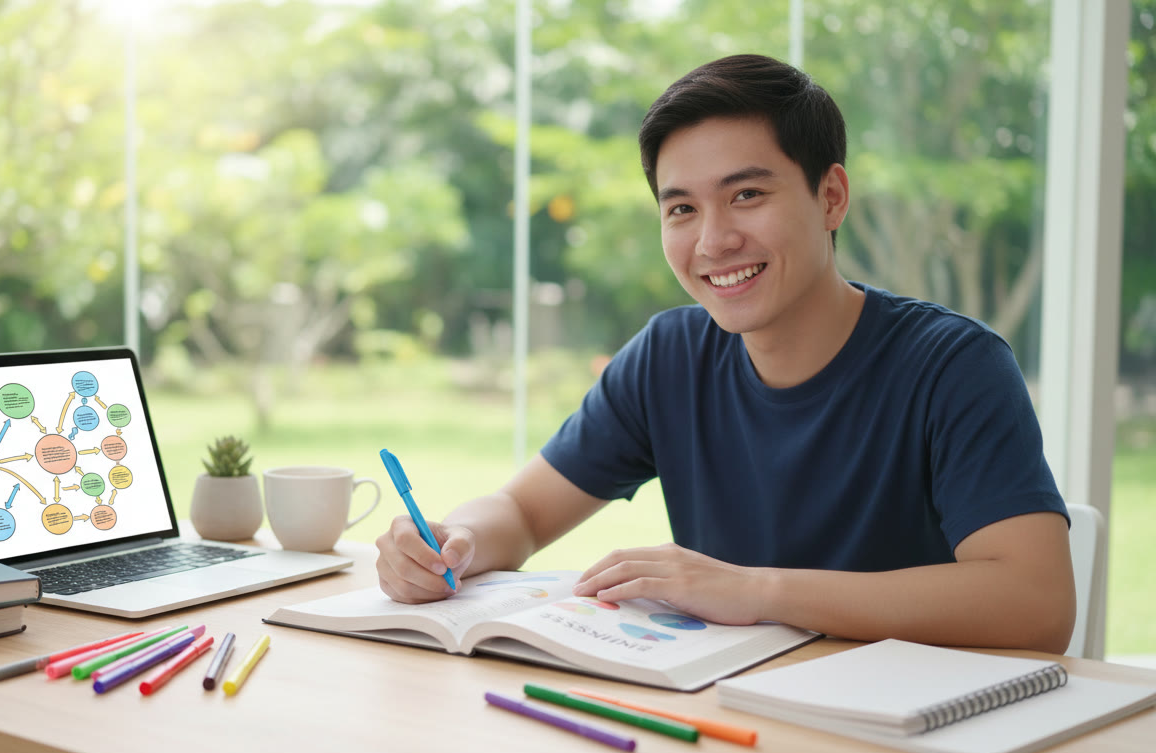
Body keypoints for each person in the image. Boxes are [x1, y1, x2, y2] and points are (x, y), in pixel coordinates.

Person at [375, 54, 1075, 654]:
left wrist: (757, 591)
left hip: (899, 726)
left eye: (747, 194)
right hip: (724, 712)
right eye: (682, 209)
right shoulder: (669, 358)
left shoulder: (954, 366)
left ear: (831, 197)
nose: (713, 242)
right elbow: (524, 513)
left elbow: (1036, 603)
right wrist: (454, 541)